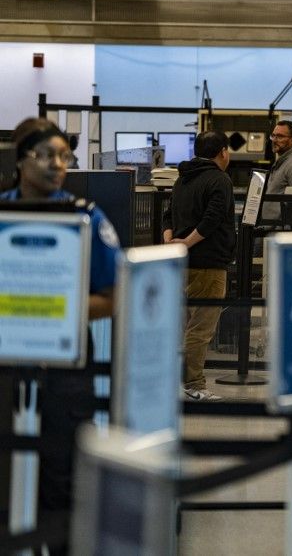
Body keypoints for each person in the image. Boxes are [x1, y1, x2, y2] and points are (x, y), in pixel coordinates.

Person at [0, 117, 120, 553]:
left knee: (64, 486)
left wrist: (53, 312)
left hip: (65, 373)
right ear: (21, 159)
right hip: (7, 369)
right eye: (46, 155)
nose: (57, 166)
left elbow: (114, 296)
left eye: (64, 157)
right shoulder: (1, 215)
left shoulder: (85, 218)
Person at [161, 130, 236, 402]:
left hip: (182, 264)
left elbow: (168, 215)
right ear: (223, 152)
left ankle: (177, 379)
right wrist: (187, 243)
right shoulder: (220, 179)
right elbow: (211, 220)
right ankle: (194, 384)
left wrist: (172, 242)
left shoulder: (183, 178)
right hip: (209, 264)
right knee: (201, 328)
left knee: (184, 325)